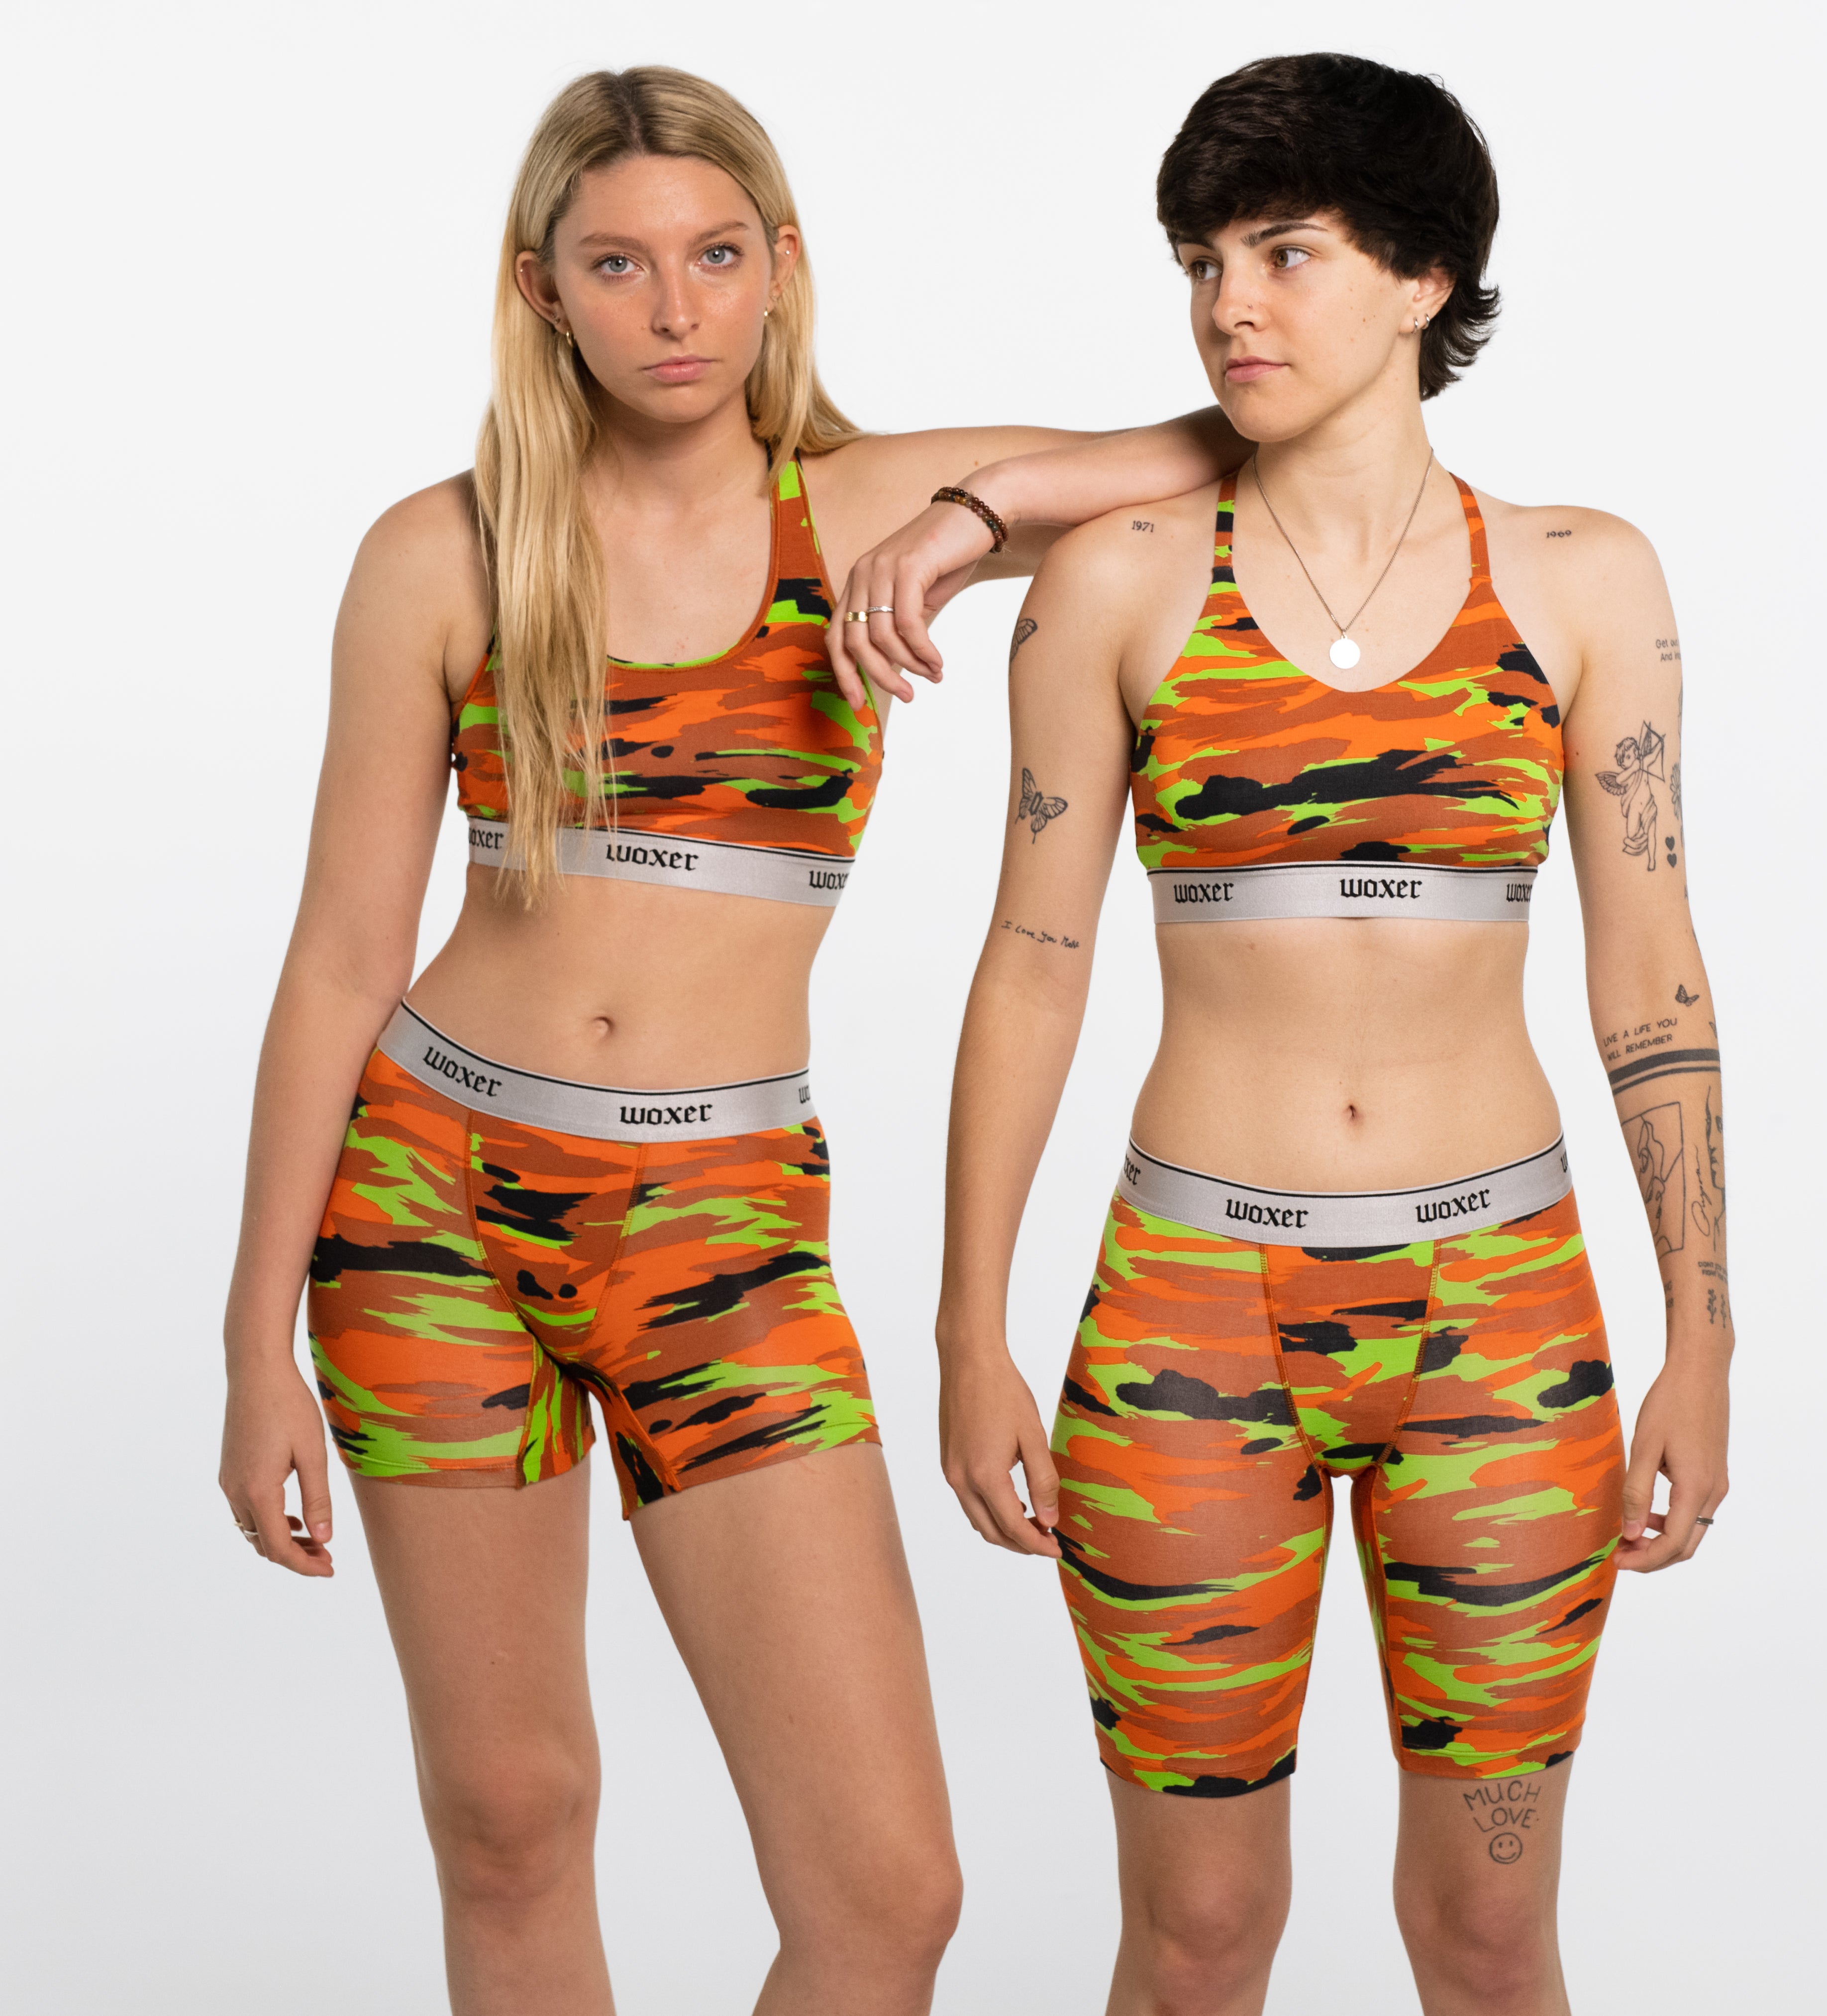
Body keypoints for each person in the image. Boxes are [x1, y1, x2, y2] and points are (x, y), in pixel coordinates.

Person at [216, 65, 1242, 2016]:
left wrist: (967, 517)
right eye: (617, 264)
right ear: (542, 289)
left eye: (713, 256)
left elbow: (1224, 445)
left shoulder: (858, 506)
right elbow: (341, 956)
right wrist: (251, 1334)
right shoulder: (444, 550)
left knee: (886, 1893)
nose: (673, 309)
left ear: (780, 266)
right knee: (511, 1818)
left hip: (722, 1227)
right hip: (431, 1212)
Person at [934, 52, 1731, 2016]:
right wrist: (967, 1327)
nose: (1228, 304)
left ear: (1420, 276)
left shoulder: (1580, 578)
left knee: (1486, 1934)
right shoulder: (1116, 584)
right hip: (1190, 1309)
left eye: (1282, 253)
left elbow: (1649, 973)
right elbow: (1029, 962)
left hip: (1501, 1318)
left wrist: (1701, 1331)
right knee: (1197, 1938)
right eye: (1200, 262)